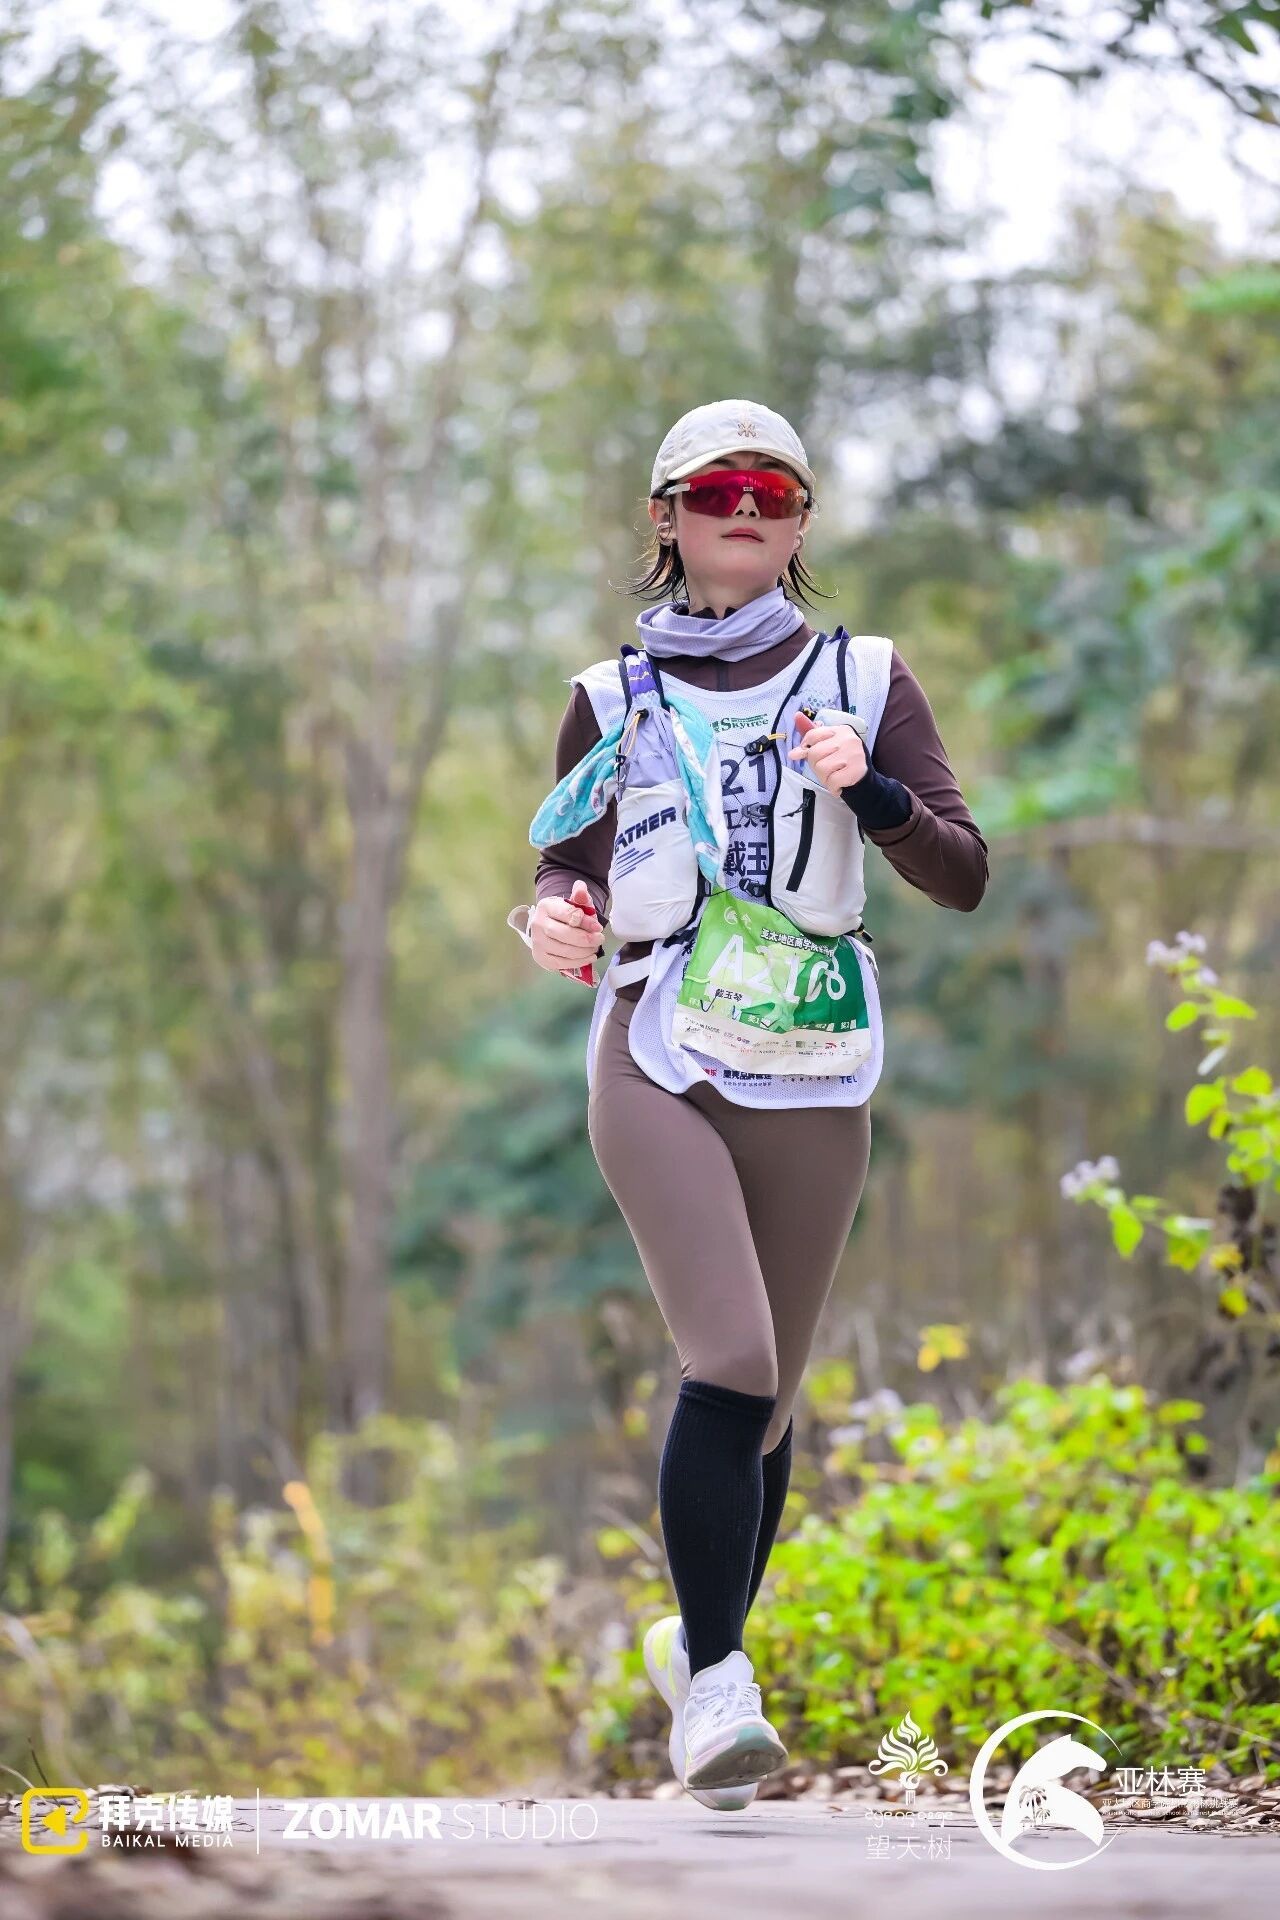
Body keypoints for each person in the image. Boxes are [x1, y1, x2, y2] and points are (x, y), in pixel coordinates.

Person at [510, 399, 988, 1810]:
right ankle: (720, 1685)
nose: (744, 512)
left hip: (813, 1060)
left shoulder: (865, 676)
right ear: (666, 517)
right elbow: (565, 866)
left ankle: (694, 1644)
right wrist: (554, 917)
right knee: (725, 1355)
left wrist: (873, 789)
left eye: (773, 495)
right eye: (717, 490)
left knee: (769, 1405)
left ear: (800, 524)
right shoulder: (607, 697)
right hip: (654, 1049)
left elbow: (961, 871)